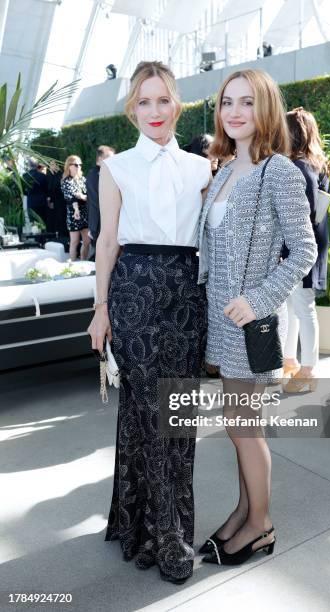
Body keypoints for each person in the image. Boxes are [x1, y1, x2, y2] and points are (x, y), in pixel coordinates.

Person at [87, 60, 211, 584]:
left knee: (176, 415)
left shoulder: (203, 167)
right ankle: (162, 536)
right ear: (131, 108)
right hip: (134, 294)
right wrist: (101, 309)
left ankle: (151, 525)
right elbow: (107, 241)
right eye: (144, 101)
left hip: (187, 294)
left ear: (176, 105)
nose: (154, 111)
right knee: (145, 410)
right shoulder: (115, 170)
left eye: (163, 100)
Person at [197, 69, 317, 566]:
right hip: (222, 323)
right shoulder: (224, 170)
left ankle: (261, 525)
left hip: (252, 324)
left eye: (247, 102)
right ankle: (243, 512)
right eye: (227, 102)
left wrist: (259, 299)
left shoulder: (280, 171)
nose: (235, 112)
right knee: (235, 422)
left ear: (264, 107)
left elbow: (304, 250)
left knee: (246, 426)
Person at [282, 107, 330, 392]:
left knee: (301, 306)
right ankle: (292, 362)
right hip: (307, 243)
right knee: (296, 305)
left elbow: (306, 210)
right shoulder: (315, 163)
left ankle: (309, 369)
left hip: (300, 246)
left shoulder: (300, 166)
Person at [61, 155, 90, 260]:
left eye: (80, 165)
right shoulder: (66, 181)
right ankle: (72, 266)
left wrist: (82, 196)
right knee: (74, 241)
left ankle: (83, 262)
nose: (79, 167)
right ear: (69, 166)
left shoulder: (83, 179)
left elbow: (88, 195)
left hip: (85, 212)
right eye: (76, 165)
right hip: (73, 213)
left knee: (87, 241)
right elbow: (71, 198)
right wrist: (77, 208)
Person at [86, 145, 115, 250]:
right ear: (100, 159)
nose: (113, 160)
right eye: (109, 157)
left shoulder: (105, 173)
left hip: (106, 223)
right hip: (99, 224)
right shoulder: (94, 174)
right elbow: (97, 200)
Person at [22, 158, 48, 225]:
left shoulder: (24, 176)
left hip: (31, 201)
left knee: (33, 223)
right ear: (37, 165)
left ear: (29, 165)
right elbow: (47, 189)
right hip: (42, 201)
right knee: (43, 222)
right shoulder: (43, 176)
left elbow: (23, 191)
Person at [46, 160, 67, 237]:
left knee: (61, 217)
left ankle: (62, 235)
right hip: (53, 200)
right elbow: (49, 188)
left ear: (57, 166)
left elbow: (55, 187)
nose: (51, 166)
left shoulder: (61, 175)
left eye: (53, 164)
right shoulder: (49, 176)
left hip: (60, 200)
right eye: (50, 164)